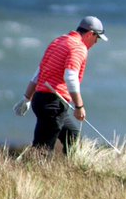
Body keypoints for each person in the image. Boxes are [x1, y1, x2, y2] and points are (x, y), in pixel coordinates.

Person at [14, 15, 108, 153]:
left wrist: (27, 98)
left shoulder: (59, 41)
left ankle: (69, 171)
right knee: (43, 151)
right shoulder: (78, 47)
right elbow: (70, 77)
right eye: (97, 38)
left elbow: (39, 72)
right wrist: (79, 106)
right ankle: (30, 173)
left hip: (41, 100)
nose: (96, 42)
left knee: (72, 136)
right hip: (52, 103)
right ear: (90, 34)